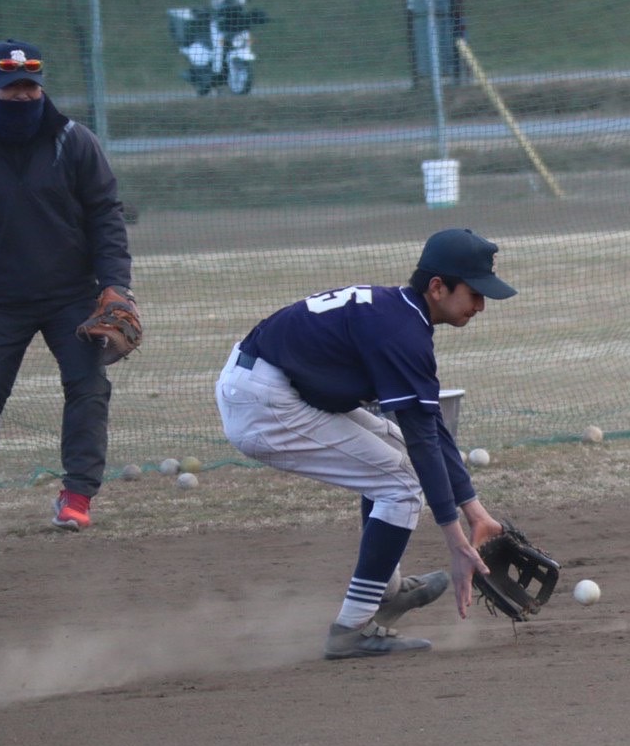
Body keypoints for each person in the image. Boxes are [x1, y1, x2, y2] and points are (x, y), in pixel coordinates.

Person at [216, 228, 515, 659]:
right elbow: (425, 444)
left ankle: (386, 591)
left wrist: (476, 511)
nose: (481, 305)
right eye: (474, 292)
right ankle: (351, 629)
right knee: (400, 484)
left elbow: (427, 428)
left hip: (272, 384)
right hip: (264, 403)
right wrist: (456, 542)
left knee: (394, 453)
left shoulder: (401, 315)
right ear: (437, 287)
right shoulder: (401, 333)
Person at [0, 38, 132, 535]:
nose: (22, 95)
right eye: (11, 86)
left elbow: (105, 216)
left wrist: (115, 287)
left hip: (70, 294)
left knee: (88, 388)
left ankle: (78, 494)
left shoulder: (73, 140)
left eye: (30, 85)